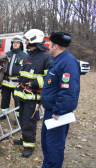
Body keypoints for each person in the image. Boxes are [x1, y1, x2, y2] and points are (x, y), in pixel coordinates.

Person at [41, 31, 80, 168]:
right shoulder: (58, 60)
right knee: (46, 145)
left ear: (55, 46)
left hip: (57, 114)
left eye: (50, 43)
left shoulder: (68, 62)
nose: (48, 46)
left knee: (54, 148)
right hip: (50, 111)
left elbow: (68, 91)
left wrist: (59, 111)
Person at [13, 29, 53, 158]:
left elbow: (50, 78)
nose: (25, 42)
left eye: (27, 40)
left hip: (32, 96)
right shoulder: (29, 54)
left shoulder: (46, 56)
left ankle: (29, 145)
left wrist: (35, 83)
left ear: (34, 41)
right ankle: (24, 139)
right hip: (22, 94)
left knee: (29, 121)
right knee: (21, 118)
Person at [0, 35, 28, 122]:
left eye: (17, 43)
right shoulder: (7, 54)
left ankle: (18, 117)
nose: (15, 44)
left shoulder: (24, 56)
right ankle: (4, 114)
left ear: (21, 44)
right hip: (6, 81)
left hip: (17, 82)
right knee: (4, 99)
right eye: (14, 43)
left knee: (18, 100)